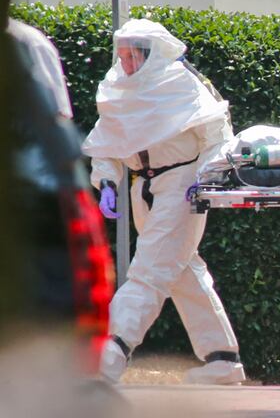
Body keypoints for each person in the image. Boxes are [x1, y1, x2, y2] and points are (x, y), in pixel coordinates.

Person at [81, 19, 245, 385]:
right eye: (121, 55)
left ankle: (111, 353)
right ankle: (224, 360)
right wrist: (107, 181)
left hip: (181, 185)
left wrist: (206, 177)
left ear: (151, 54)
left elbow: (217, 136)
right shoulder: (117, 88)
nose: (125, 63)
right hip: (144, 187)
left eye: (132, 55)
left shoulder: (181, 84)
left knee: (148, 273)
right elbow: (106, 142)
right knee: (183, 272)